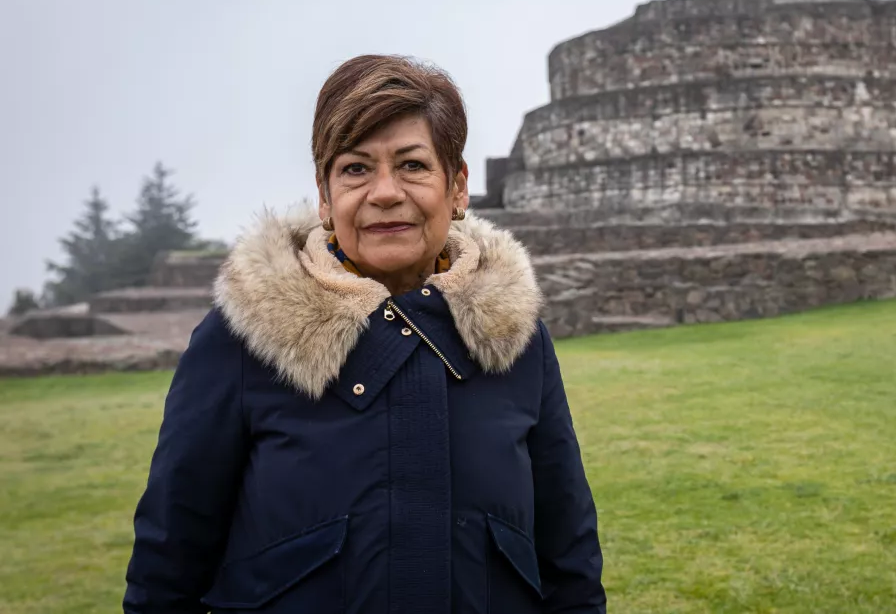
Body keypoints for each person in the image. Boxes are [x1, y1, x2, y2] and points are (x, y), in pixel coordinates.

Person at [123, 54, 606, 614]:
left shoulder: (516, 341)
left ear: (457, 187)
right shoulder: (244, 339)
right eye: (355, 169)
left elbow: (569, 560)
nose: (384, 192)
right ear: (325, 196)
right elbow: (167, 567)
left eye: (413, 165)